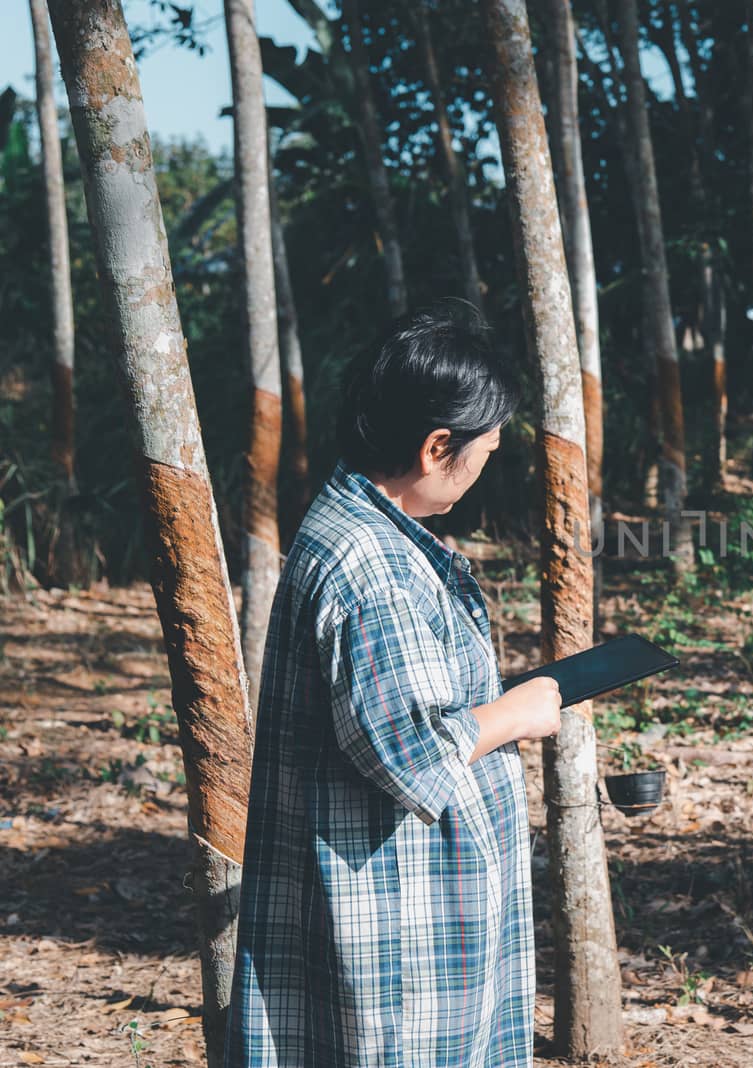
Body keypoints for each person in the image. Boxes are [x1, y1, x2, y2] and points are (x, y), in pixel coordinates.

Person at [228, 305, 561, 1066]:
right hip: (398, 926)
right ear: (437, 446)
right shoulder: (369, 567)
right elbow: (410, 751)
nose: (485, 467)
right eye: (483, 451)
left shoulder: (369, 532)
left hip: (404, 904)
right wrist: (518, 712)